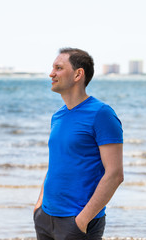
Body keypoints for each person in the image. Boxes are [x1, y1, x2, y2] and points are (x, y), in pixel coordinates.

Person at [33, 48, 124, 240]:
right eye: (52, 68)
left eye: (58, 68)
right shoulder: (58, 115)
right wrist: (39, 205)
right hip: (46, 218)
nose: (51, 74)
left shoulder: (102, 114)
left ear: (78, 74)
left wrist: (82, 220)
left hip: (77, 222)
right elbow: (56, 164)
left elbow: (115, 174)